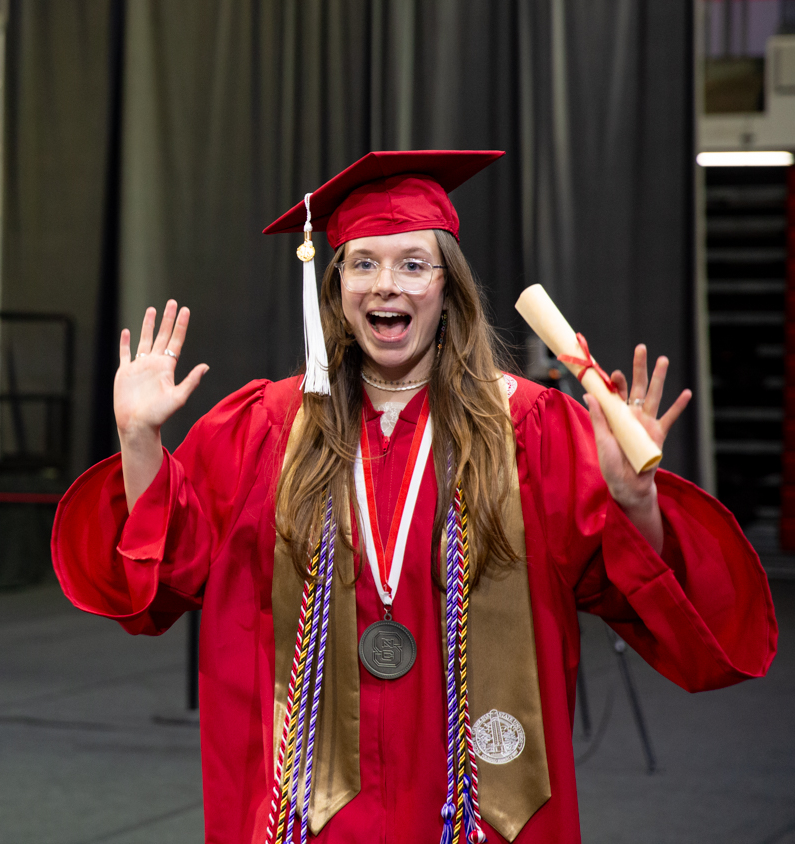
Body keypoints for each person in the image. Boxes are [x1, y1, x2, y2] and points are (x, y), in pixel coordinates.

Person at [50, 150, 778, 844]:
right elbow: (159, 577)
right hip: (309, 813)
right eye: (363, 264)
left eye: (413, 265)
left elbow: (664, 606)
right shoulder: (267, 428)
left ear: (447, 287)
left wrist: (634, 501)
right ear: (335, 290)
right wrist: (139, 440)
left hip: (476, 811)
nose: (386, 284)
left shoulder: (532, 429)